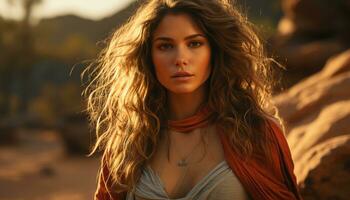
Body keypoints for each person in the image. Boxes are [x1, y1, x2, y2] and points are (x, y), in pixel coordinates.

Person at [85, 0, 303, 199]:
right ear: (148, 58)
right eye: (165, 46)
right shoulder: (130, 141)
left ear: (215, 51)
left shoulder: (255, 132)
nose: (180, 59)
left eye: (194, 44)